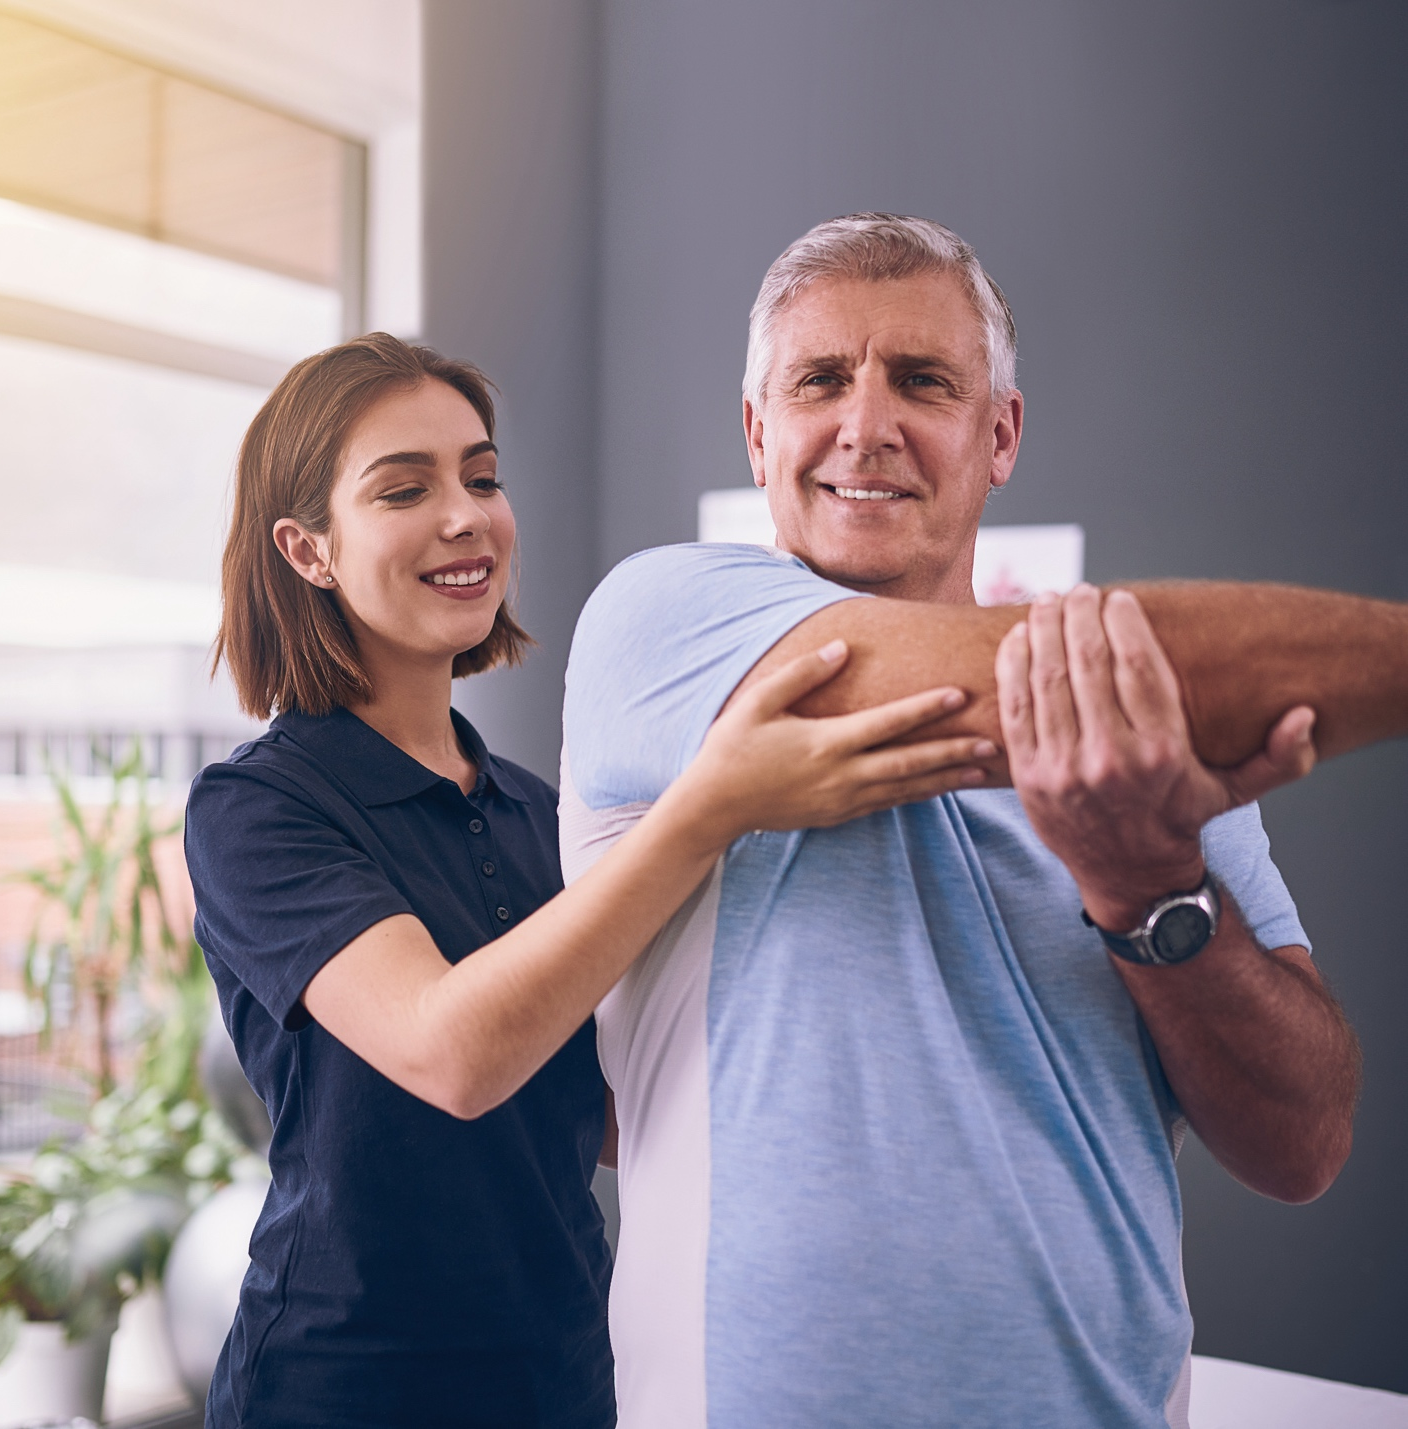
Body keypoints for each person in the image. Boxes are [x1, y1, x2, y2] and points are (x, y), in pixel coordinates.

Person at [558, 215, 1408, 1429]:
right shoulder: (660, 623)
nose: (865, 426)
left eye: (922, 381)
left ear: (997, 433)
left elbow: (1302, 1145)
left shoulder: (1148, 752)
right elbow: (1013, 685)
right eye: (817, 381)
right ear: (757, 433)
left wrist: (1149, 895)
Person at [182, 332, 993, 1429]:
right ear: (308, 549)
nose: (466, 514)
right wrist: (711, 806)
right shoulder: (258, 809)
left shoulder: (534, 811)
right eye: (404, 488)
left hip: (565, 1376)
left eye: (482, 474)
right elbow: (455, 1054)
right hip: (345, 1386)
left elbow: (606, 1107)